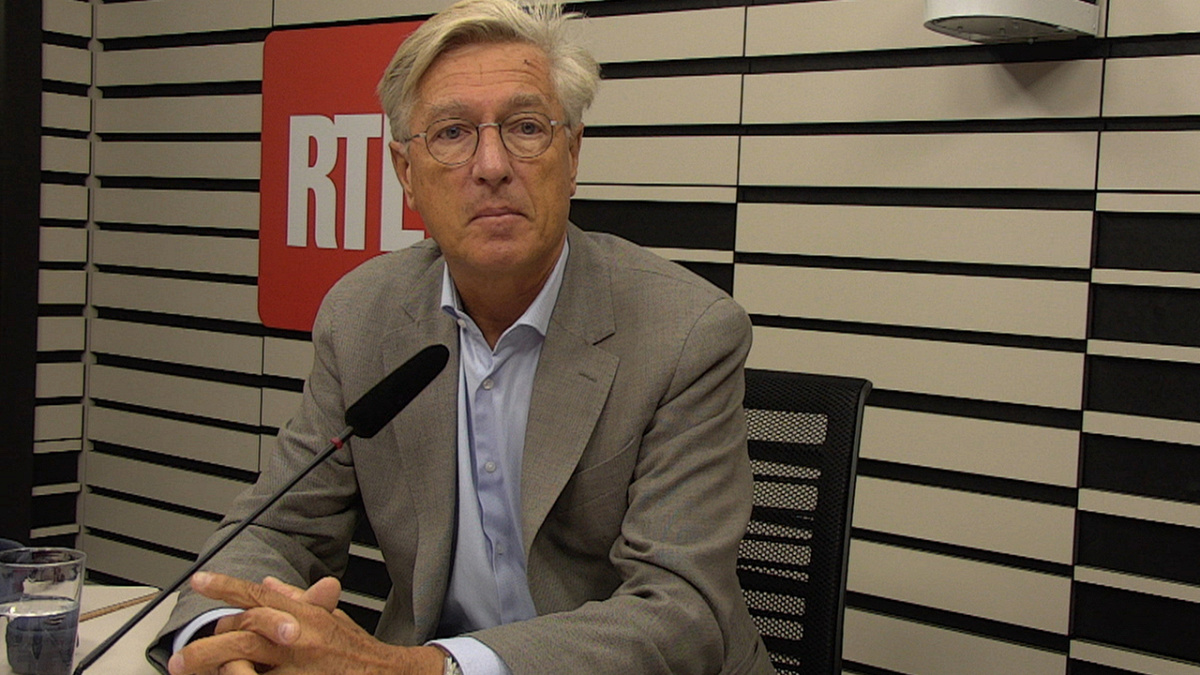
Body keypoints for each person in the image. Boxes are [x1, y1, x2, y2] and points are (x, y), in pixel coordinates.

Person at [148, 1, 774, 673]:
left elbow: (679, 611)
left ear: (571, 154)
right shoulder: (362, 316)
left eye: (526, 127)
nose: (492, 164)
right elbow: (277, 526)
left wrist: (423, 669)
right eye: (452, 133)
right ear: (405, 173)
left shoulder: (686, 332)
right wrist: (231, 633)